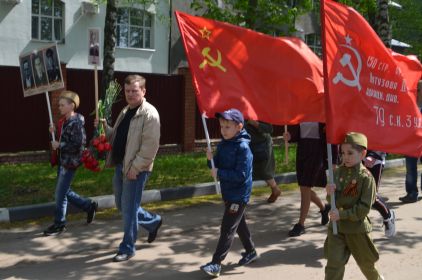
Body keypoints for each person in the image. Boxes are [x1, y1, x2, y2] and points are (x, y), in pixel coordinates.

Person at [97, 75, 162, 262]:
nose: (131, 94)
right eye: (127, 91)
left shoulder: (150, 114)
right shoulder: (126, 111)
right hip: (121, 165)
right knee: (122, 204)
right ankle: (153, 222)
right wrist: (105, 128)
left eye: (135, 91)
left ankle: (127, 247)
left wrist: (136, 167)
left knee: (128, 209)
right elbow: (117, 137)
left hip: (135, 169)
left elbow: (150, 147)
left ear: (143, 91)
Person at [200, 109, 257, 277]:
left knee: (227, 228)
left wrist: (219, 173)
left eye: (227, 127)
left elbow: (241, 175)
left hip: (239, 195)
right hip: (228, 192)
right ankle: (251, 251)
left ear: (239, 127)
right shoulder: (224, 143)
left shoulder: (243, 148)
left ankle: (216, 263)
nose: (223, 130)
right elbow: (214, 166)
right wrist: (209, 159)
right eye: (222, 126)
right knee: (239, 224)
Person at [324, 132, 383, 280]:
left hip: (357, 230)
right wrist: (330, 193)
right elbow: (333, 201)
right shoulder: (336, 173)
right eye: (343, 153)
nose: (345, 157)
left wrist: (342, 215)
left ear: (363, 153)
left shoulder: (366, 178)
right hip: (337, 228)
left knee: (367, 265)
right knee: (334, 265)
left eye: (350, 153)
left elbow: (363, 209)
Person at [43, 91, 98, 236]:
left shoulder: (77, 123)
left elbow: (79, 144)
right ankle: (88, 206)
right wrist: (52, 132)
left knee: (60, 194)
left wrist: (59, 145)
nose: (59, 107)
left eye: (62, 105)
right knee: (64, 191)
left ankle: (59, 224)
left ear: (71, 106)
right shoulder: (63, 121)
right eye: (59, 104)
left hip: (70, 163)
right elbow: (60, 139)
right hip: (62, 161)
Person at [284, 122, 337, 237]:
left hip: (316, 152)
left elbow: (331, 135)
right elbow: (300, 134)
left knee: (305, 186)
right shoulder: (302, 113)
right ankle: (323, 208)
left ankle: (301, 224)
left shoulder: (322, 113)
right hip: (302, 151)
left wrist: (333, 159)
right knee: (304, 187)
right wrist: (291, 137)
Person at [245, 120, 281, 203]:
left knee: (264, 171)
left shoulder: (259, 112)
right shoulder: (241, 113)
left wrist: (255, 123)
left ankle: (275, 189)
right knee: (249, 171)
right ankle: (243, 197)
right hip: (249, 146)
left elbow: (269, 129)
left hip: (263, 146)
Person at [363, 150, 396, 237]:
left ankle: (388, 217)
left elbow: (387, 140)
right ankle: (359, 228)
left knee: (372, 196)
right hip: (356, 157)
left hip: (376, 160)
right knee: (355, 193)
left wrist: (374, 155)